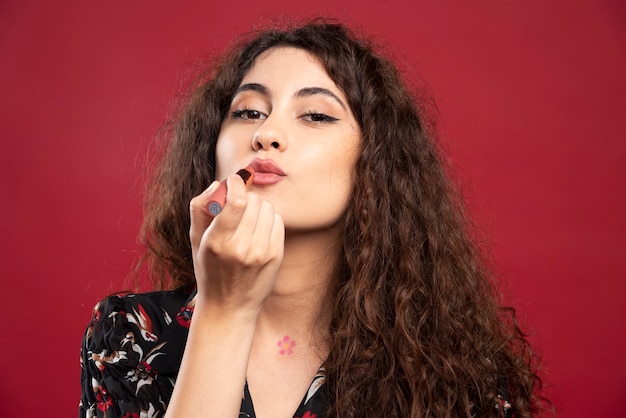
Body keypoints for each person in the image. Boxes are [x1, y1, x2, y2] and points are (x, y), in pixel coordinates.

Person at [79, 19, 548, 418]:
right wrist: (223, 313)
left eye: (316, 115)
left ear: (376, 162)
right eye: (247, 111)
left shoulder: (456, 374)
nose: (267, 134)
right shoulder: (128, 334)